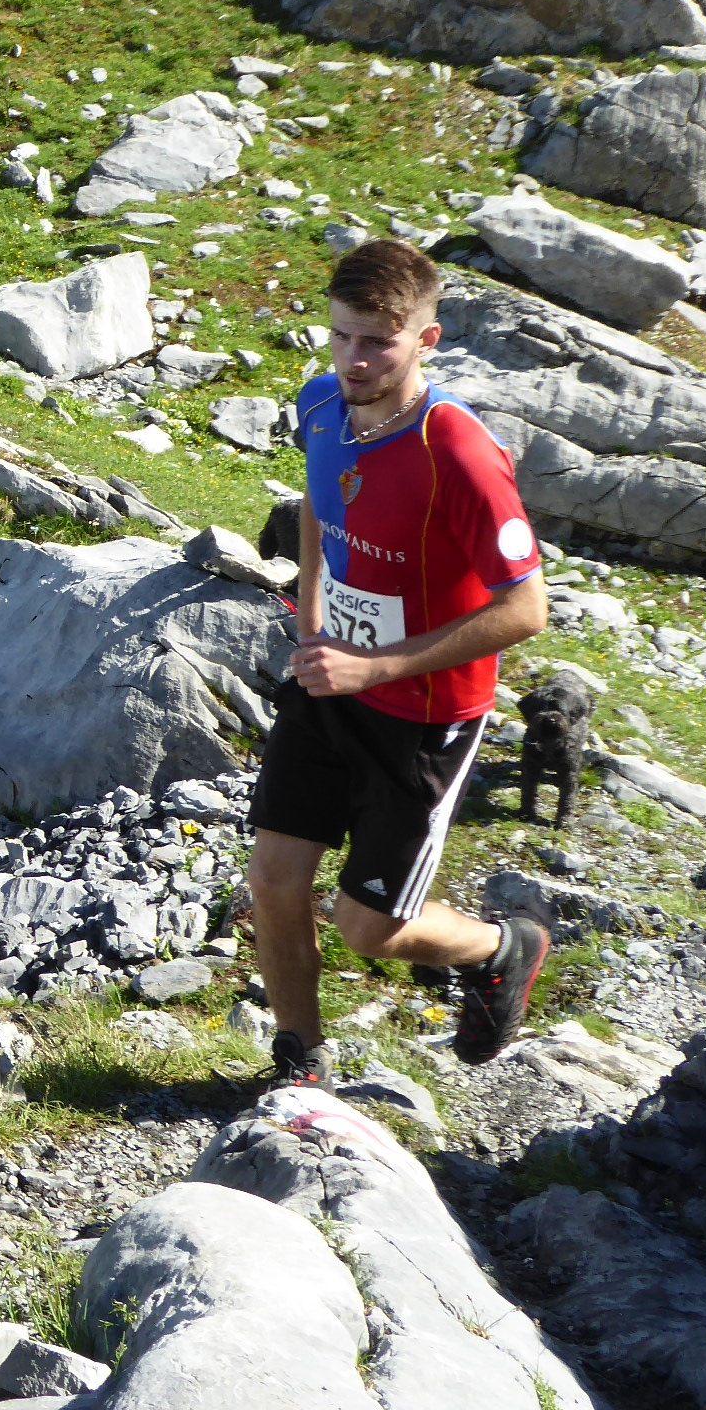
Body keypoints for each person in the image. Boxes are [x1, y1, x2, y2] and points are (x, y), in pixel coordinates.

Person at [246, 240, 553, 1086]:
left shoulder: (457, 449)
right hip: (330, 686)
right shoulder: (321, 403)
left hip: (422, 718)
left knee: (368, 929)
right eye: (341, 336)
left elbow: (527, 608)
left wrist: (376, 668)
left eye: (378, 343)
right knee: (273, 880)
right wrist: (313, 619)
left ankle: (502, 948)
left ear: (426, 339)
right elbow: (319, 501)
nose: (354, 359)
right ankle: (298, 1062)